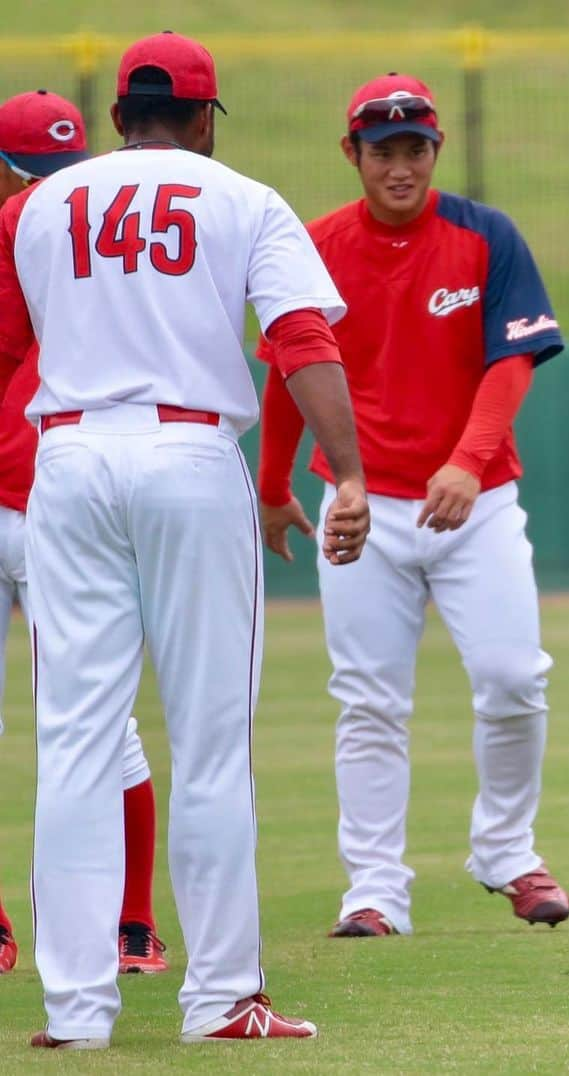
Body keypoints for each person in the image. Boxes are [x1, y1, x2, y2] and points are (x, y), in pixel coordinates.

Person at [0, 31, 369, 1048]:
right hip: (190, 456)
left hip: (68, 467)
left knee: (73, 741)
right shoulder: (244, 197)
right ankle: (219, 998)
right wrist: (346, 473)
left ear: (117, 117)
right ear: (205, 118)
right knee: (210, 744)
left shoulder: (32, 207)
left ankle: (75, 1011)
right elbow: (300, 340)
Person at [257, 73, 569, 939]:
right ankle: (374, 889)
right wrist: (274, 486)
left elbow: (513, 362)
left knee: (514, 679)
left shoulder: (484, 234)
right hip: (361, 507)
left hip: (478, 502)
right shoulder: (315, 245)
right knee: (368, 701)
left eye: (416, 148)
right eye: (383, 150)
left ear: (436, 149)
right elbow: (290, 368)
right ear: (351, 153)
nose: (402, 165)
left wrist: (470, 462)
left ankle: (506, 852)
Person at [0, 89, 167, 978]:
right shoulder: (114, 237)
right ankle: (133, 926)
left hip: (44, 499)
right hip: (67, 501)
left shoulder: (11, 227)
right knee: (106, 724)